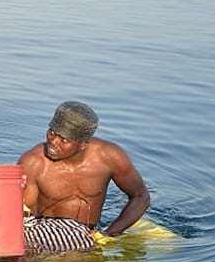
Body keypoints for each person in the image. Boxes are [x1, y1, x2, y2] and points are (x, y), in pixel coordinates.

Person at [18, 101, 150, 251]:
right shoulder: (33, 162)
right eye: (52, 133)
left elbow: (141, 196)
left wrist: (110, 233)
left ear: (82, 145)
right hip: (46, 235)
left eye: (64, 140)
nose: (53, 142)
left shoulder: (110, 157)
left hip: (90, 235)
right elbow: (22, 215)